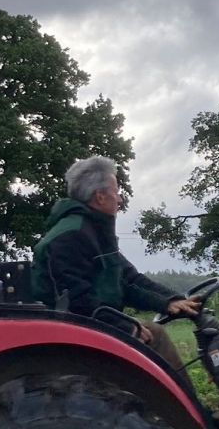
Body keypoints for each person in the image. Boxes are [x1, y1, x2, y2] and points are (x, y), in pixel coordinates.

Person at [31, 156, 200, 374]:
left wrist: (169, 300)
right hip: (73, 334)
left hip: (92, 325)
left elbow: (128, 279)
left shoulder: (93, 230)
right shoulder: (71, 236)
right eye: (116, 191)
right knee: (155, 336)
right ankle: (181, 408)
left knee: (153, 331)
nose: (119, 199)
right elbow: (76, 301)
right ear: (100, 196)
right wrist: (125, 327)